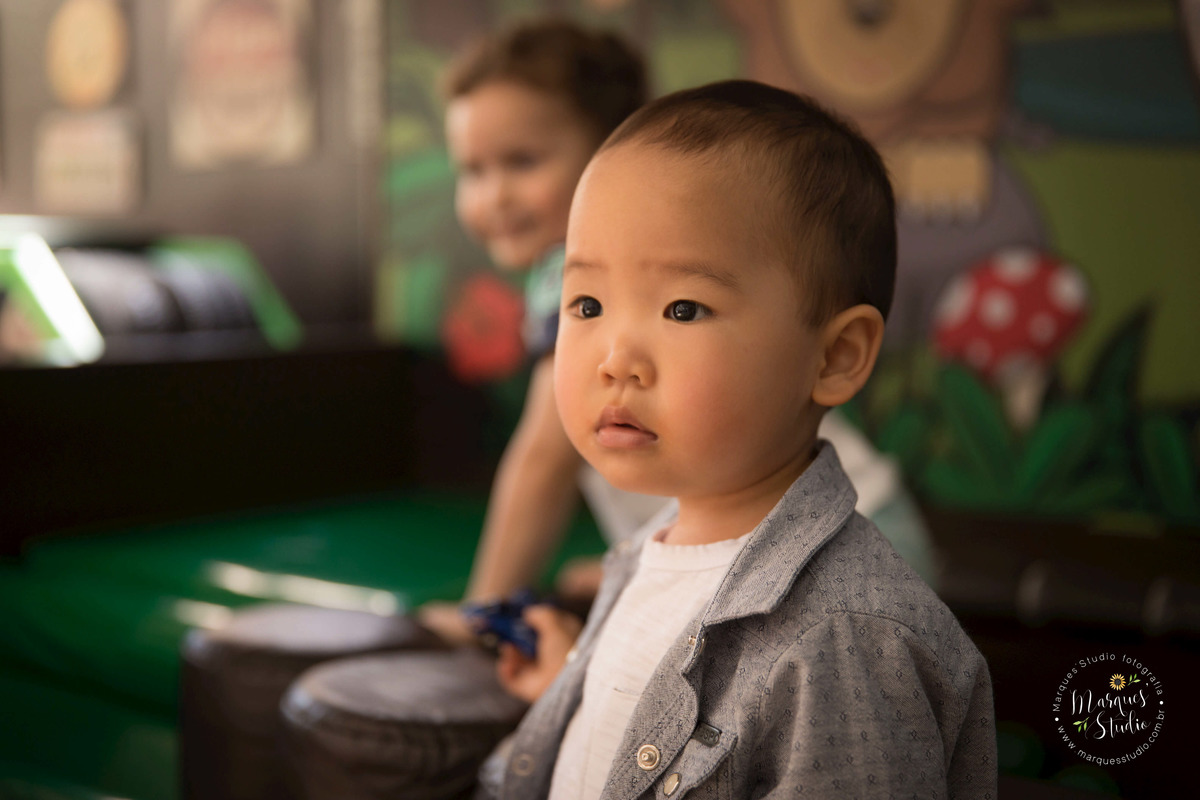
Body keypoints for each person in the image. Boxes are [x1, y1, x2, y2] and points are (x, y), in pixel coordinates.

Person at [485, 80, 996, 799]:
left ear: (835, 356)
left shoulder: (844, 643)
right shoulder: (656, 548)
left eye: (683, 309)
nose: (615, 359)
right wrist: (577, 684)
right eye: (587, 304)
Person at [418, 19, 656, 642]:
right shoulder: (630, 255)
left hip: (799, 554)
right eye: (473, 170)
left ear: (611, 153)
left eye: (522, 161)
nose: (495, 195)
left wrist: (485, 610)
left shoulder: (576, 268)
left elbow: (545, 457)